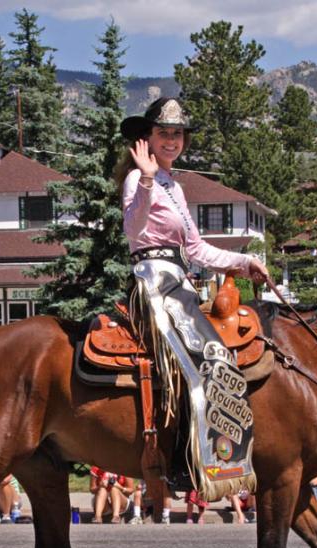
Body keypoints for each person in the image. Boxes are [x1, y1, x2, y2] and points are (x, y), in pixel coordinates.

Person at [117, 97, 269, 501]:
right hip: (153, 283)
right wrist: (146, 179)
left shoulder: (176, 186)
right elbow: (134, 228)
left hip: (180, 283)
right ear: (146, 138)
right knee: (198, 358)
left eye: (178, 133)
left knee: (218, 355)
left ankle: (215, 457)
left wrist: (244, 260)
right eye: (164, 132)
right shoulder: (139, 180)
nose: (172, 140)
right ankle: (185, 461)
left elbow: (198, 249)